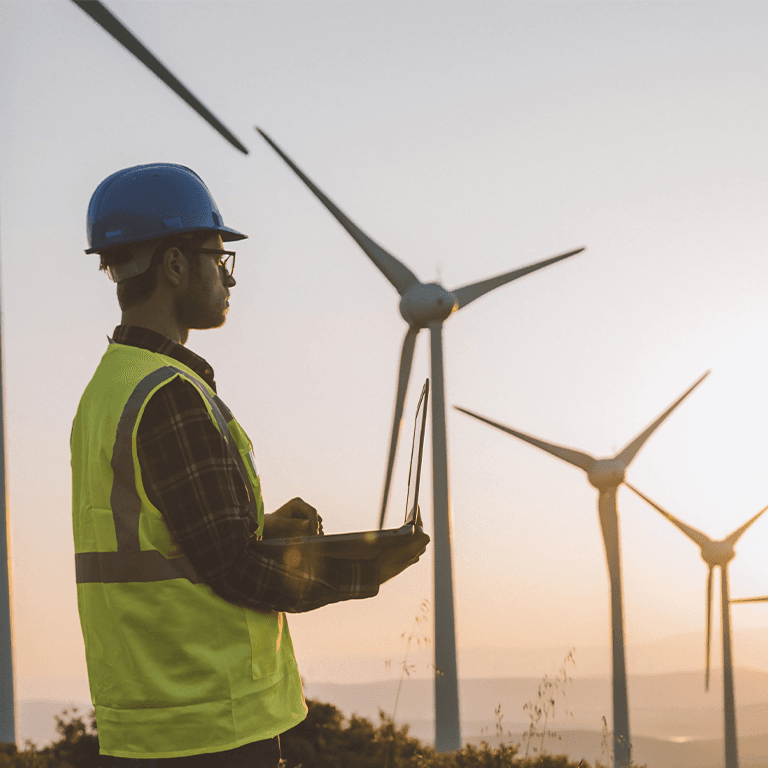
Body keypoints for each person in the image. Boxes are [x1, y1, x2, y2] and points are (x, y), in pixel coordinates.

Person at [70, 163, 430, 768]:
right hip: (211, 722)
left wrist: (263, 528)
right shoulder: (170, 394)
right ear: (175, 265)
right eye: (219, 258)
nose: (228, 280)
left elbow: (167, 541)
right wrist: (366, 568)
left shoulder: (108, 390)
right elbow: (233, 569)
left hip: (146, 721)